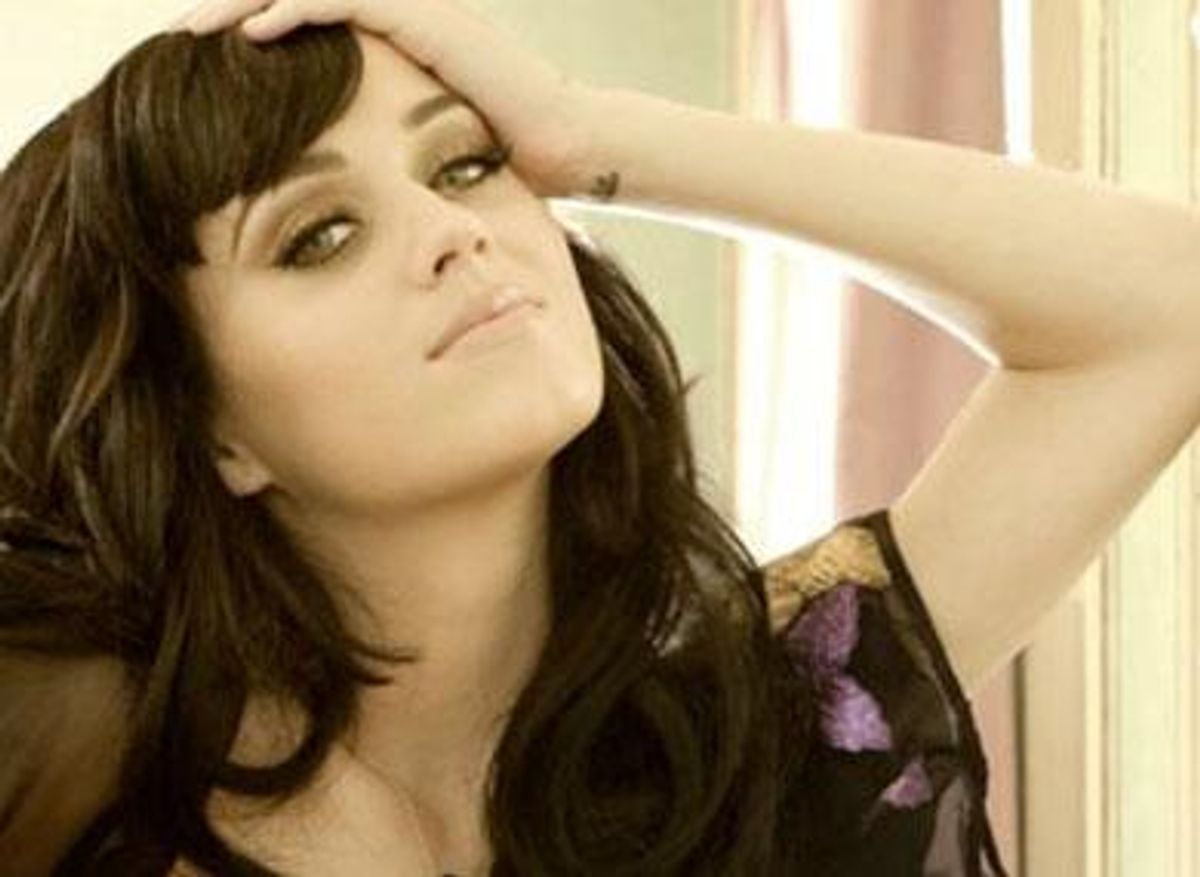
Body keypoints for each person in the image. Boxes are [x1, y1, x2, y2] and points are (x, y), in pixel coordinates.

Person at [4, 1, 1198, 875]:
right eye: (319, 235)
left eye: (465, 164)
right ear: (208, 430)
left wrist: (584, 130)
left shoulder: (774, 739)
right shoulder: (95, 798)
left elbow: (1167, 307)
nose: (450, 230)